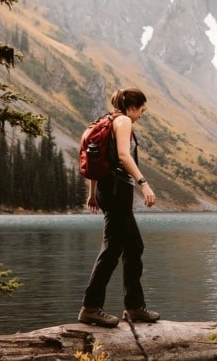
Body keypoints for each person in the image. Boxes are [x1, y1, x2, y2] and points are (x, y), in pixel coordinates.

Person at [78, 87, 161, 327]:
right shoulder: (123, 120)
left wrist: (93, 194)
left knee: (132, 247)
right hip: (116, 191)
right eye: (142, 110)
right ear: (132, 106)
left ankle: (134, 307)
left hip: (107, 191)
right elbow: (124, 156)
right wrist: (144, 184)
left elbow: (97, 160)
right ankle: (92, 307)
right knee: (113, 249)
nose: (141, 115)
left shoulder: (107, 120)